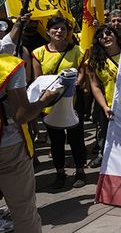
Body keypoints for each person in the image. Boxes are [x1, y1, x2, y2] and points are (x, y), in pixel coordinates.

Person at [0, 51, 60, 233]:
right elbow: (22, 115)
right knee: (23, 211)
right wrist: (44, 100)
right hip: (8, 148)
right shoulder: (9, 65)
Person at [31, 16, 87, 189]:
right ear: (47, 31)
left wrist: (76, 82)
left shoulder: (78, 50)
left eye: (63, 28)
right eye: (55, 28)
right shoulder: (38, 53)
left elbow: (82, 72)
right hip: (50, 104)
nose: (59, 32)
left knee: (76, 138)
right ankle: (60, 173)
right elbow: (38, 78)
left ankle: (80, 171)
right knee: (56, 140)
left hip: (73, 103)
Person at [87, 26, 121, 168]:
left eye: (109, 33)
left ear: (116, 36)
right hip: (110, 106)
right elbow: (95, 86)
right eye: (101, 36)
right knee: (109, 138)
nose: (105, 37)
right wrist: (104, 107)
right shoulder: (96, 61)